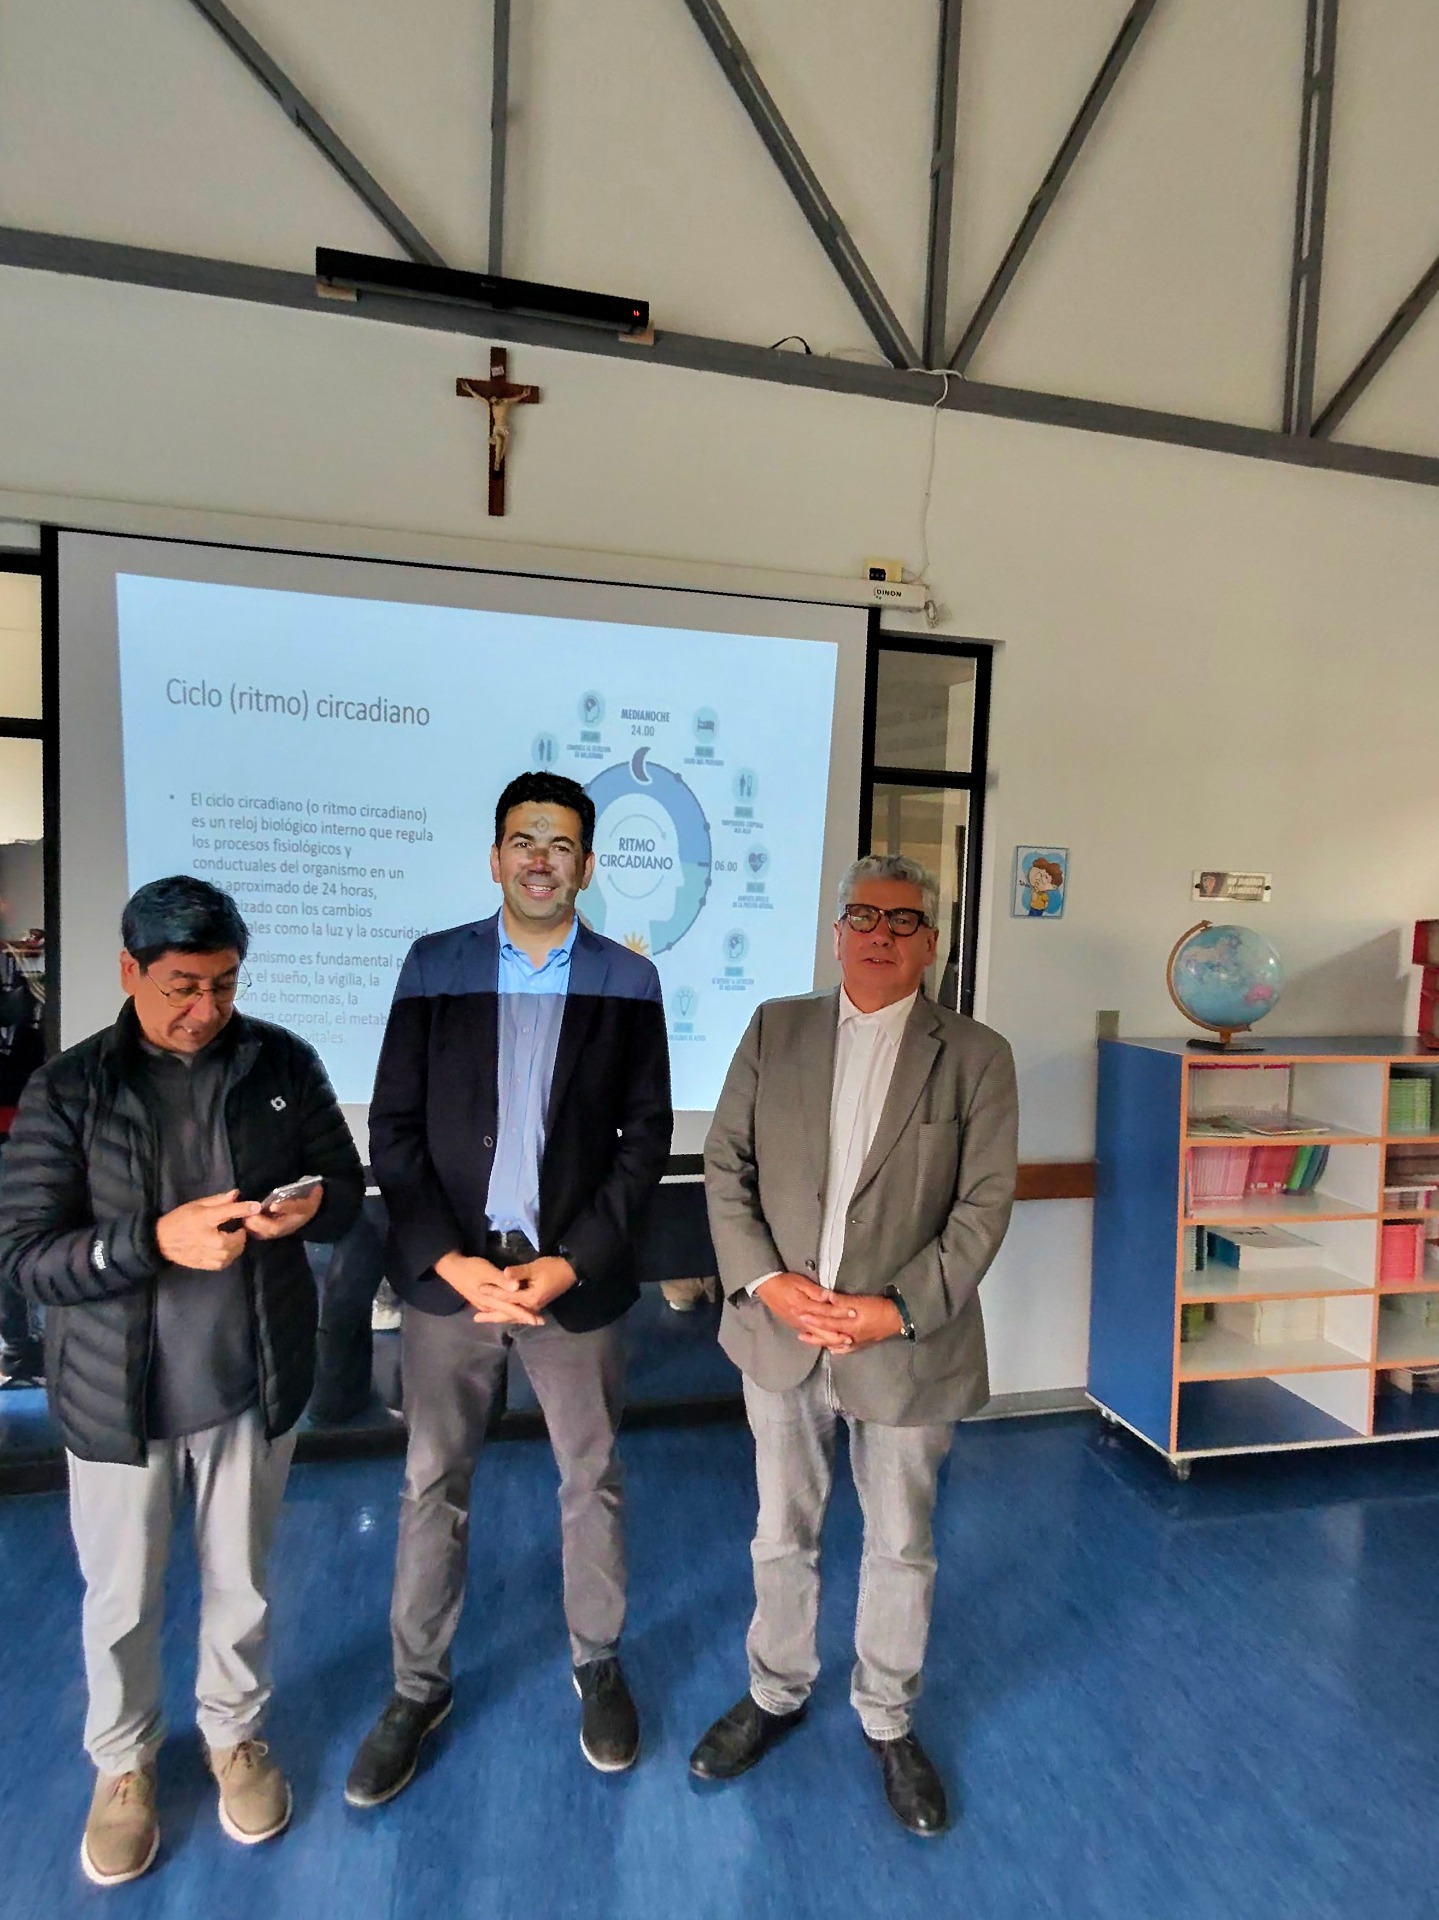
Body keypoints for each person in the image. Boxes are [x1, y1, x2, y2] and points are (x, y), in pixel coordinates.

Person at [0, 876, 364, 1887]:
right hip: (116, 1399)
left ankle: (234, 1734)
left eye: (225, 984)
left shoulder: (281, 1062)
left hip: (252, 1379)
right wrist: (153, 1241)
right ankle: (123, 1765)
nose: (206, 1009)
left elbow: (345, 1186)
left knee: (242, 1584)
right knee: (121, 1600)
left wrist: (314, 1208)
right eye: (183, 987)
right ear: (130, 971)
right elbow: (24, 1256)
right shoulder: (68, 1088)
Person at [346, 770, 672, 1808]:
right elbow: (393, 1130)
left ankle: (597, 1663)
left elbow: (645, 1139)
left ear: (587, 865)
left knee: (593, 1477)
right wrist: (447, 1260)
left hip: (569, 1279)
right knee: (431, 1484)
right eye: (524, 841)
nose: (541, 858)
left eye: (561, 843)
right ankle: (417, 1686)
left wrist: (570, 1260)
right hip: (454, 1280)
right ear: (494, 859)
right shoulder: (433, 965)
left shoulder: (627, 978)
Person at [690, 853, 1018, 1837]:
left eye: (902, 921)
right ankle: (775, 1689)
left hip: (904, 1348)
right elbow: (725, 1164)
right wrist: (766, 1281)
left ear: (931, 944)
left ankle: (886, 1715)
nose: (880, 934)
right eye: (863, 917)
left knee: (900, 1543)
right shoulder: (774, 1029)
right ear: (836, 933)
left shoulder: (975, 1056)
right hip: (779, 1334)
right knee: (779, 1530)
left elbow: (982, 1206)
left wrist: (893, 1310)